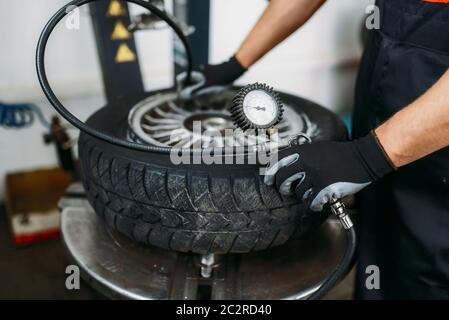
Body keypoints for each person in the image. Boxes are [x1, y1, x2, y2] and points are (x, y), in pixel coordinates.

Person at [180, 0, 449, 299]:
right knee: (381, 244)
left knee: (426, 267)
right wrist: (236, 63)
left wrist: (368, 155)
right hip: (387, 63)